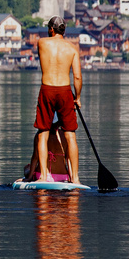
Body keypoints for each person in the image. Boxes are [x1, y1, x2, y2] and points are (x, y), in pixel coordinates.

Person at [31, 17, 82, 183]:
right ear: (64, 30)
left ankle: (44, 177)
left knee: (43, 134)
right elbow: (77, 76)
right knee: (70, 136)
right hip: (65, 91)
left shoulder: (42, 43)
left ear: (51, 29)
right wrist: (78, 98)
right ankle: (75, 179)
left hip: (47, 89)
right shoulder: (72, 49)